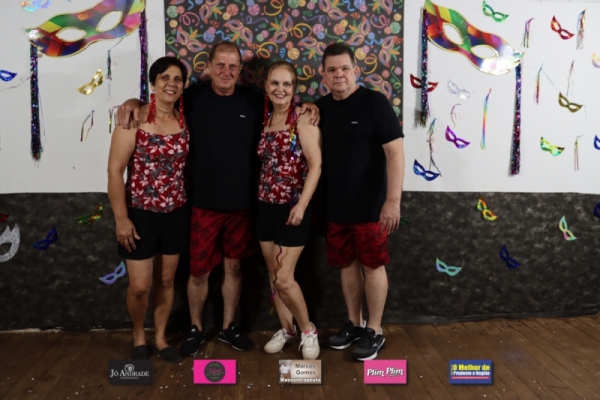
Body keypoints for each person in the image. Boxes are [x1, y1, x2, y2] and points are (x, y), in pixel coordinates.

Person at [117, 41, 319, 356]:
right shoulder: (190, 97)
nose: (226, 71)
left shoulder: (255, 101)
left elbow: (284, 102)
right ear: (209, 66)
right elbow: (160, 100)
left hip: (244, 206)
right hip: (200, 204)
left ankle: (228, 328)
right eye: (220, 65)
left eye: (233, 66)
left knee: (234, 269)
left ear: (240, 70)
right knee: (198, 271)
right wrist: (132, 101)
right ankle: (196, 328)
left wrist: (309, 106)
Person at [316, 42, 405, 361]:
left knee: (373, 266)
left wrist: (392, 201)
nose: (339, 74)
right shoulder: (320, 109)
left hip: (372, 207)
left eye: (344, 68)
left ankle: (375, 330)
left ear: (355, 70)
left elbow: (395, 153)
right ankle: (355, 324)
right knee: (347, 265)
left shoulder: (375, 103)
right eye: (332, 70)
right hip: (336, 207)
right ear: (323, 74)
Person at [107, 56, 189, 363]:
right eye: (165, 77)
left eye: (177, 78)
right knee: (140, 286)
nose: (171, 83)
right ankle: (139, 333)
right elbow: (114, 171)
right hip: (140, 213)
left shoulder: (184, 118)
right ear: (153, 83)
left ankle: (160, 337)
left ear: (183, 86)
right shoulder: (134, 119)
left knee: (166, 281)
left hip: (176, 211)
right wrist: (121, 220)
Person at [257, 61, 322, 359]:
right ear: (266, 86)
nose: (280, 89)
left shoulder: (303, 119)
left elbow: (316, 165)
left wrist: (302, 205)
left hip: (293, 208)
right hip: (265, 206)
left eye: (286, 84)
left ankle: (308, 330)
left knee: (284, 278)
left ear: (294, 89)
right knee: (274, 276)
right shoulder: (266, 118)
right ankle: (287, 329)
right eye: (275, 83)